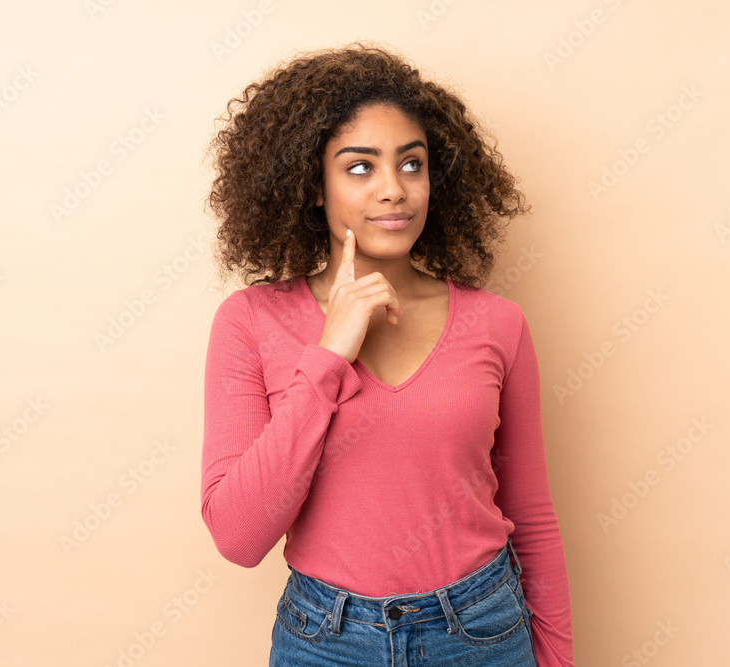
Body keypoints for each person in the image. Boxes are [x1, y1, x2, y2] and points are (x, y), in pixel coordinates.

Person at [201, 42, 574, 666]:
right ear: (313, 186)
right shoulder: (250, 322)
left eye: (411, 164)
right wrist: (329, 355)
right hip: (326, 642)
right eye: (358, 167)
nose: (393, 189)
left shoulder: (497, 324)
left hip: (481, 633)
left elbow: (531, 516)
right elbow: (239, 536)